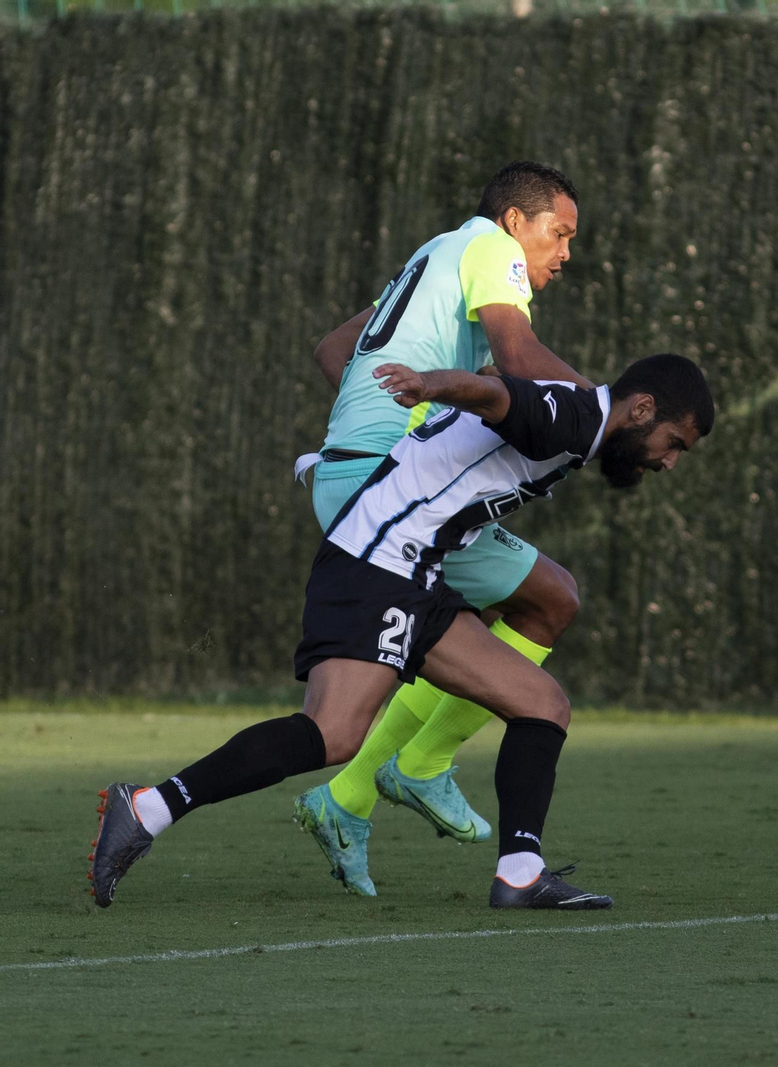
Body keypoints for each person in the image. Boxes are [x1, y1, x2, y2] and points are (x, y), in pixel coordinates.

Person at [89, 353, 714, 910]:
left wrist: (468, 386)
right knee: (332, 735)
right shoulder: (572, 417)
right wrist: (430, 384)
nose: (668, 461)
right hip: (377, 566)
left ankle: (521, 873)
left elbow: (501, 388)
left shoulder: (576, 419)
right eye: (673, 442)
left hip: (414, 574)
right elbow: (495, 395)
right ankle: (148, 807)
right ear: (643, 408)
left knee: (542, 705)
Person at [296, 161, 593, 896]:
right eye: (559, 234)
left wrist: (406, 408)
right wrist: (603, 406)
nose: (564, 254)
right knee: (549, 602)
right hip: (382, 485)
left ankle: (356, 792)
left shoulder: (430, 257)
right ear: (515, 222)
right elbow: (521, 358)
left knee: (523, 603)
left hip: (347, 474)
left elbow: (335, 352)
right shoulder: (491, 251)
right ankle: (399, 772)